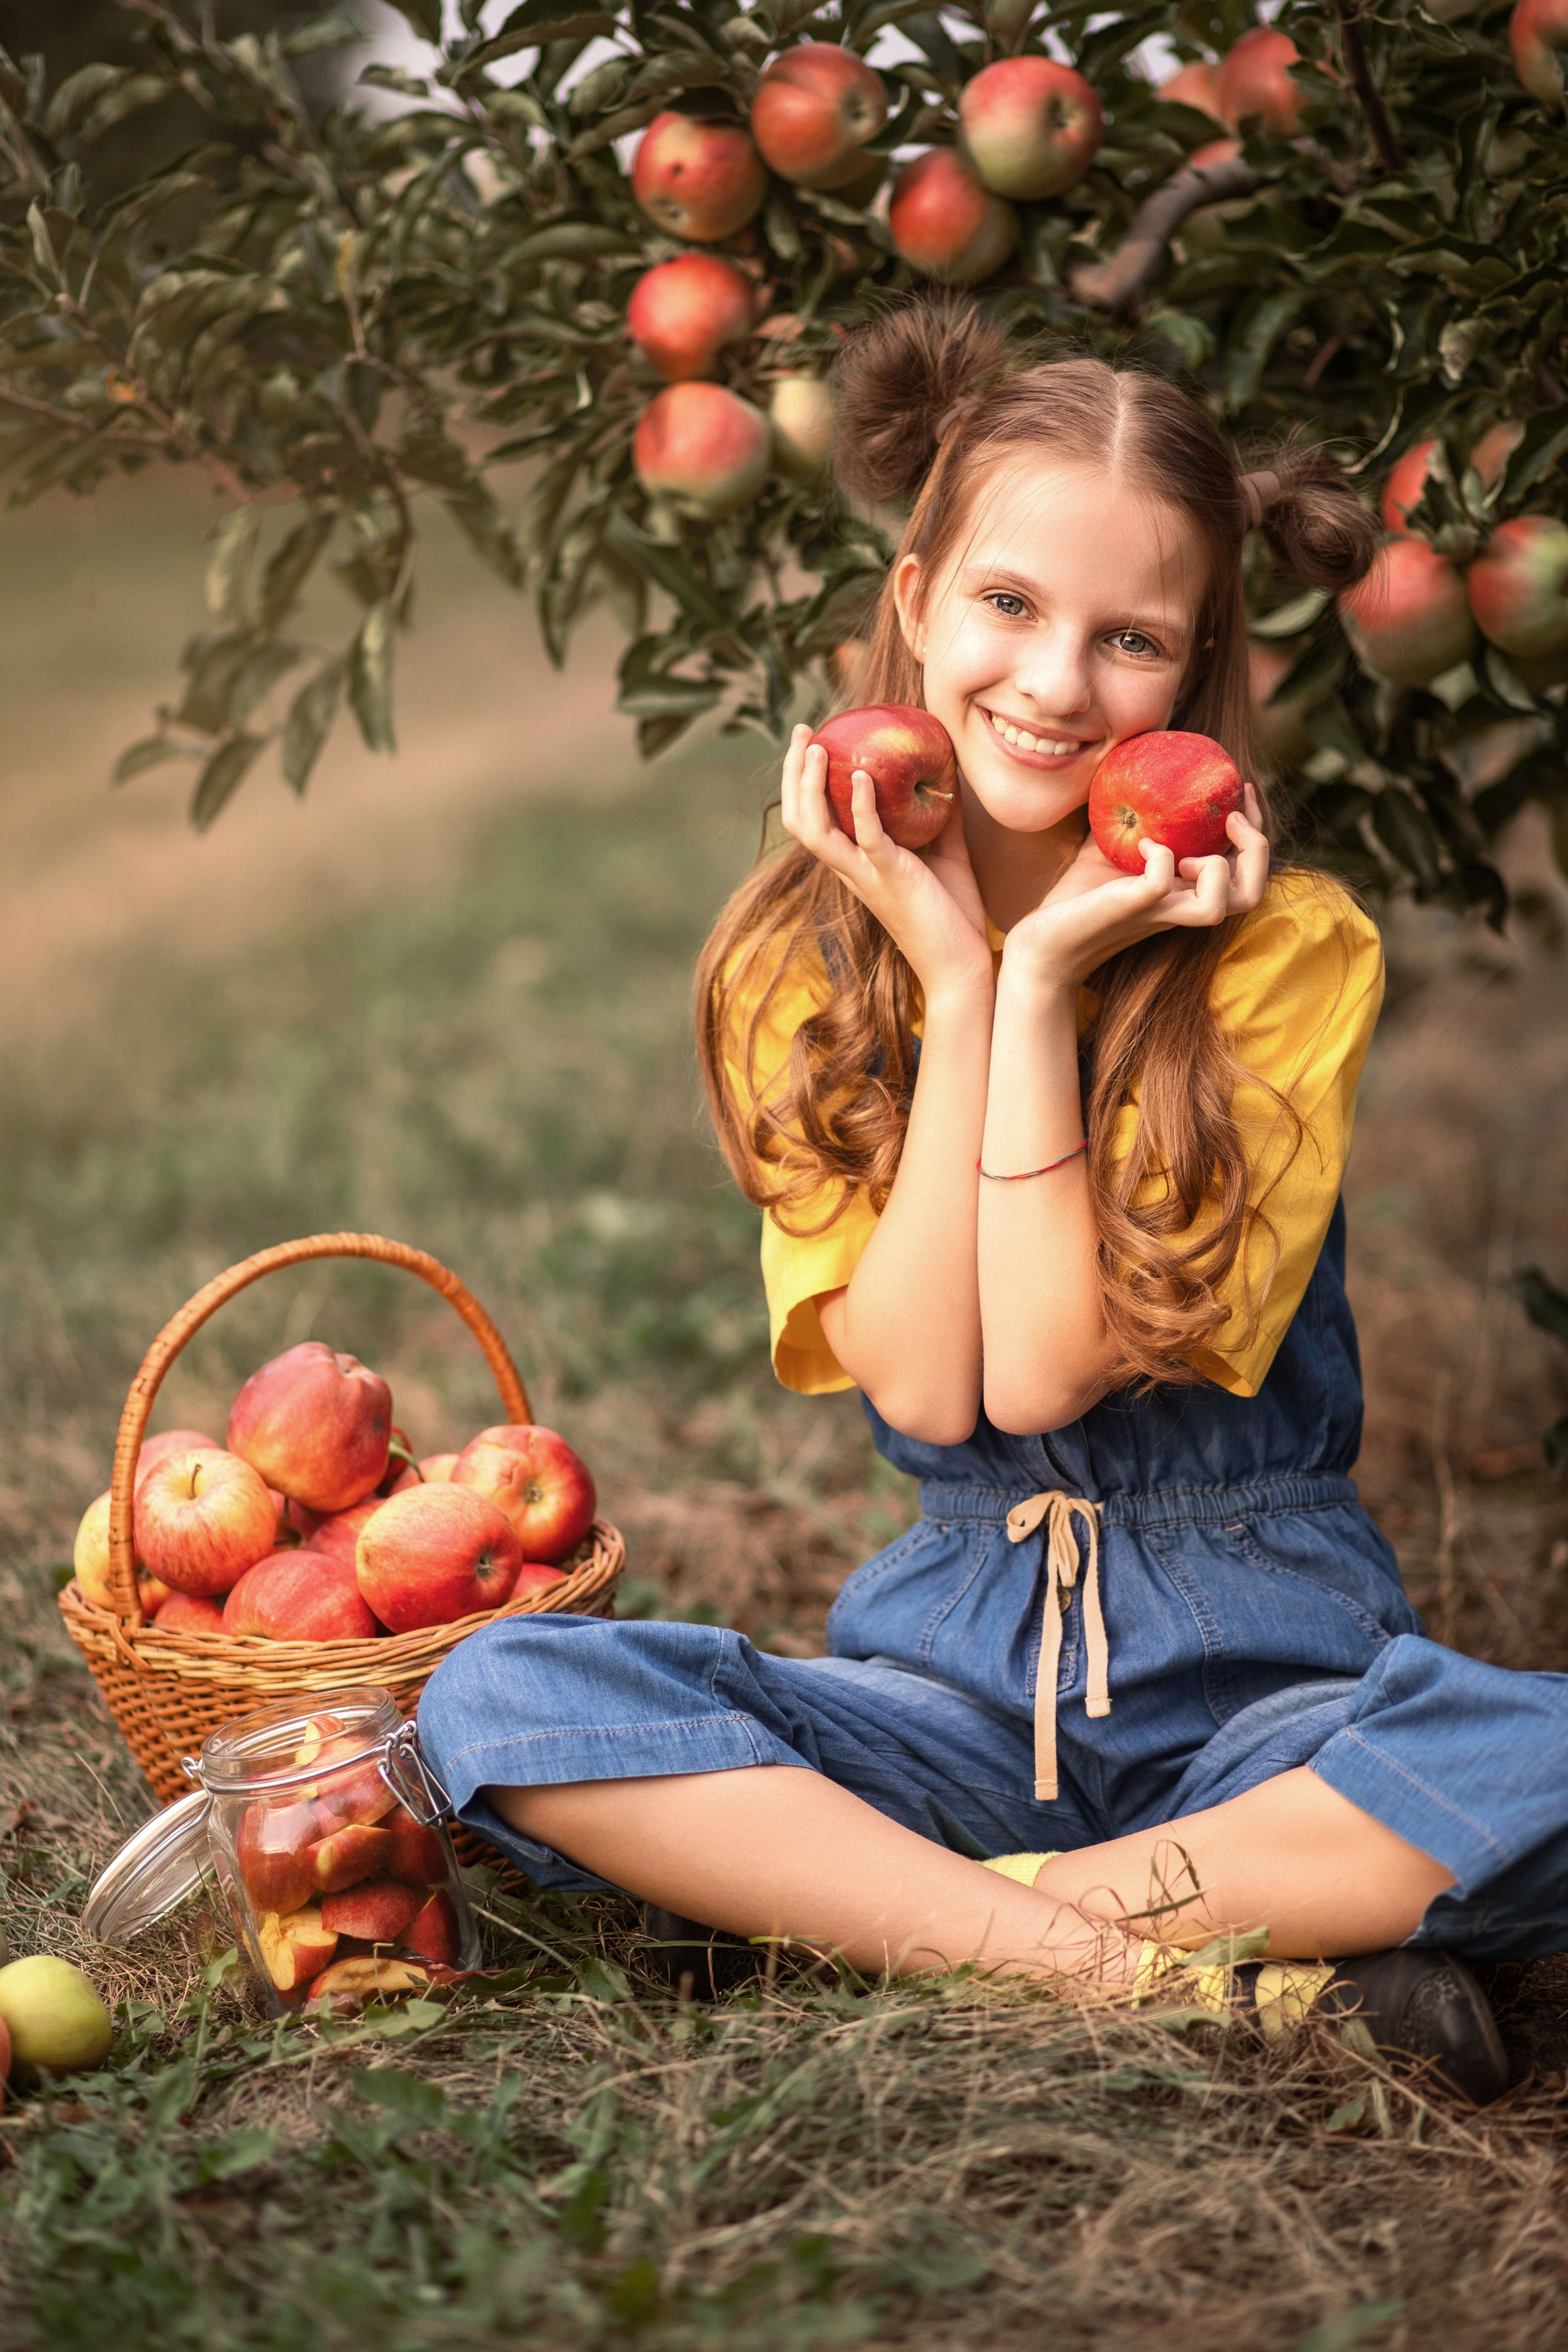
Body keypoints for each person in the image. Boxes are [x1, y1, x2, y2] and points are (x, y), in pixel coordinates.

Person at [420, 301, 1565, 2103]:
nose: (1052, 683)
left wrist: (1038, 989)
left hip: (1270, 1697)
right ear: (918, 597)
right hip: (951, 1687)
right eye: (1009, 608)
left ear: (1193, 679)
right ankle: (1177, 1965)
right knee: (498, 1703)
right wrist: (956, 981)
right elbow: (936, 1398)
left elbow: (1048, 1372)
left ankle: (941, 1924)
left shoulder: (1282, 957)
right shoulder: (799, 975)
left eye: (1131, 639)